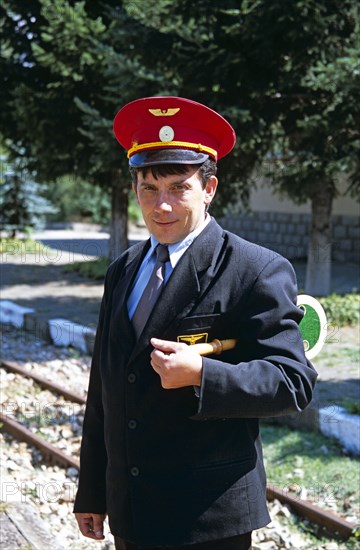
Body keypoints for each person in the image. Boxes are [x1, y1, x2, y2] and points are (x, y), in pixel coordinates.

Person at [74, 96, 317, 550]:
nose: (162, 206)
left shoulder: (255, 268)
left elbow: (293, 383)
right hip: (132, 513)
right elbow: (103, 389)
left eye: (179, 187)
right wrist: (93, 490)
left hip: (208, 520)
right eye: (149, 188)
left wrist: (205, 374)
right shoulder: (123, 270)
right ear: (134, 190)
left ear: (209, 189)